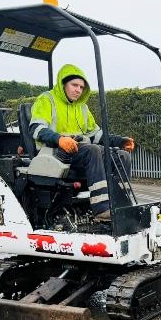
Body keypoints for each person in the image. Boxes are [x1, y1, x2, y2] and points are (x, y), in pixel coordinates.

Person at [29, 63, 135, 221]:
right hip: (54, 153)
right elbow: (35, 128)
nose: (78, 90)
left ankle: (122, 204)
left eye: (81, 87)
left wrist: (120, 141)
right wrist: (59, 139)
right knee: (93, 150)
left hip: (79, 151)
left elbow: (96, 135)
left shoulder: (82, 108)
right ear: (63, 84)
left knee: (121, 155)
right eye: (74, 85)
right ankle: (102, 210)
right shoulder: (47, 100)